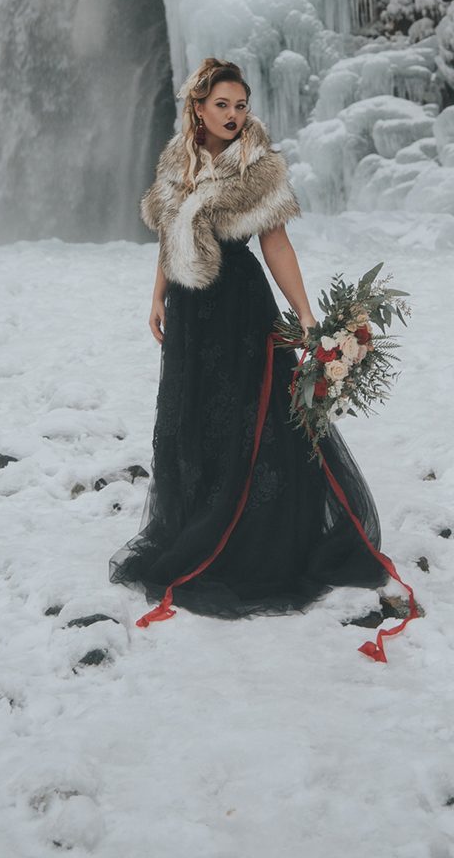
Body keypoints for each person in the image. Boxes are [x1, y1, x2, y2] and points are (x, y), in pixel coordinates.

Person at [108, 57, 390, 623]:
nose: (234, 115)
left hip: (239, 305)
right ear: (198, 107)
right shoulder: (176, 162)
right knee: (192, 416)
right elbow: (170, 234)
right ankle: (195, 520)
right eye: (222, 105)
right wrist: (158, 294)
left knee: (250, 419)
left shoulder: (255, 165)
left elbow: (276, 245)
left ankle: (252, 540)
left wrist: (304, 315)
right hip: (190, 311)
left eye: (241, 105)